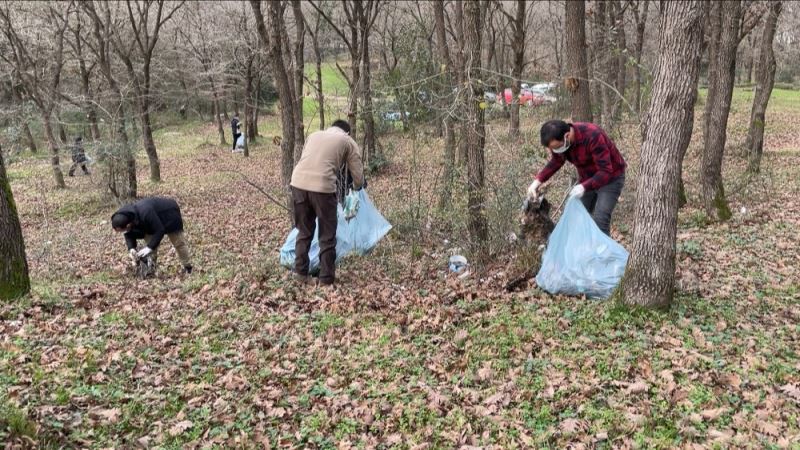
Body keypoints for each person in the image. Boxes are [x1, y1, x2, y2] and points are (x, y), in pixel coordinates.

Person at [290, 119, 365, 287]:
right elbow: (358, 174)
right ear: (347, 132)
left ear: (331, 128)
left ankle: (300, 273)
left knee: (304, 230)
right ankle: (326, 280)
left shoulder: (314, 135)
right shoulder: (347, 140)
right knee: (327, 235)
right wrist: (357, 187)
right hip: (323, 188)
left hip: (297, 183)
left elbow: (308, 159)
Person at [528, 120, 627, 235]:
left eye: (557, 147)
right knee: (575, 215)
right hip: (587, 178)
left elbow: (605, 171)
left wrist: (583, 187)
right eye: (553, 149)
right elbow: (557, 161)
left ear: (567, 136)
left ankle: (604, 252)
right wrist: (537, 181)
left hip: (611, 178)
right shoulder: (561, 143)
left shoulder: (593, 135)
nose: (556, 151)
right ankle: (581, 249)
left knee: (601, 220)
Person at [111, 197, 193, 274]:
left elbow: (160, 230)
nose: (121, 233)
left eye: (122, 230)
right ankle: (150, 269)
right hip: (149, 222)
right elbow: (128, 233)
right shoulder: (123, 216)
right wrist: (131, 248)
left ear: (128, 225)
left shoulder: (146, 213)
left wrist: (149, 247)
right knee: (150, 246)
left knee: (178, 243)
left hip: (169, 214)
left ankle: (187, 267)